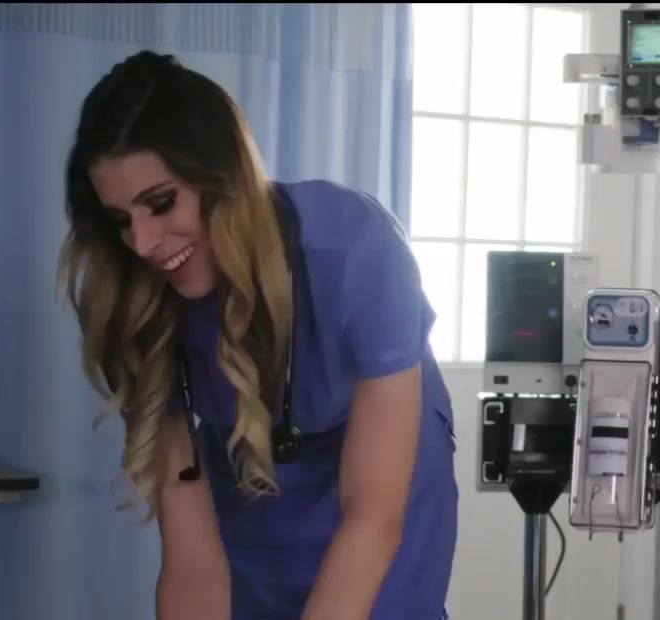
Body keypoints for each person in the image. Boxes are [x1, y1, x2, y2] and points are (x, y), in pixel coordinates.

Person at [57, 50, 458, 620]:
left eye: (161, 204)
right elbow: (194, 566)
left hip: (381, 491)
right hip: (257, 485)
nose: (143, 243)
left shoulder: (355, 253)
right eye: (122, 220)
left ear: (224, 176)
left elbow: (372, 518)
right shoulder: (138, 305)